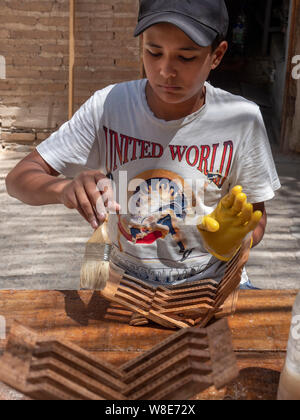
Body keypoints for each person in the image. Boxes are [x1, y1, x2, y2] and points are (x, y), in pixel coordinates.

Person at [5, 0, 280, 289]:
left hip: (211, 285)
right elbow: (18, 180)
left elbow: (255, 216)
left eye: (186, 57)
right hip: (126, 286)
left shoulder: (241, 119)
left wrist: (232, 238)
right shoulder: (109, 106)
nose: (165, 71)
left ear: (216, 55)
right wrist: (63, 189)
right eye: (153, 52)